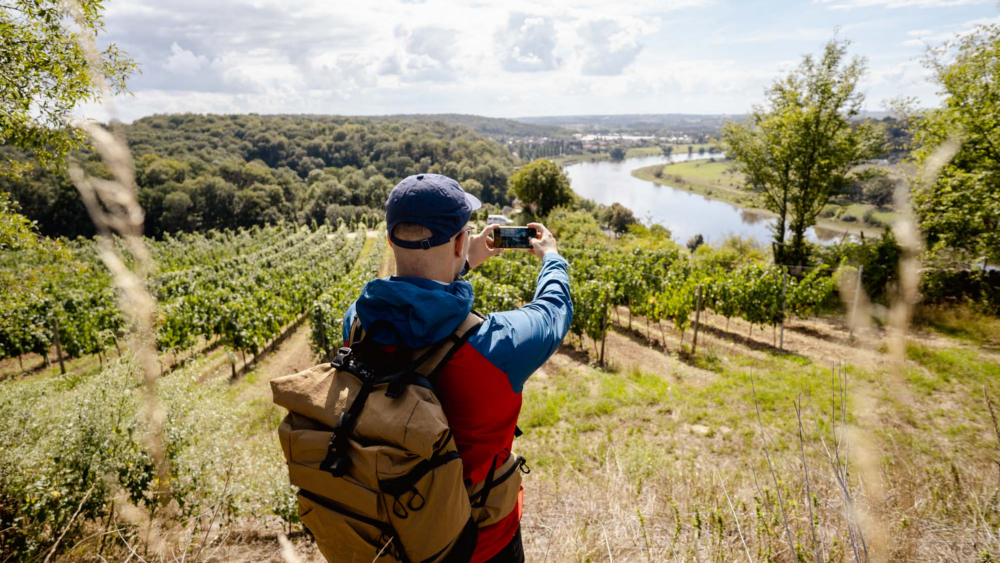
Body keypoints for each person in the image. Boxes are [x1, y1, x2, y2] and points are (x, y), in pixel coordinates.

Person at [342, 173, 573, 563]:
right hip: (481, 547)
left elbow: (416, 301)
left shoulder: (358, 322)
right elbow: (554, 310)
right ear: (457, 241)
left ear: (390, 241)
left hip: (392, 536)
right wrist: (552, 257)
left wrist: (465, 256)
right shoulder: (497, 346)